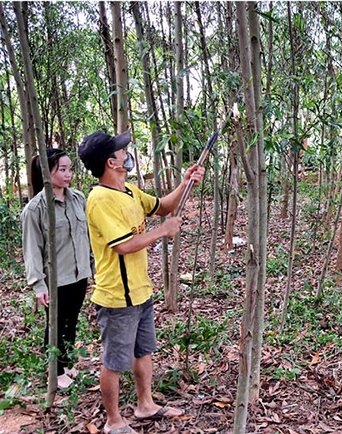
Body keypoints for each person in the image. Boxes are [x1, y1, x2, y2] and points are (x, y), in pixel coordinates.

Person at [78, 130, 205, 434]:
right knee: (114, 361)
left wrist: (186, 182)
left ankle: (145, 404)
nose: (126, 153)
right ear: (111, 162)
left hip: (140, 290)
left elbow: (163, 206)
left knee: (143, 350)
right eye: (121, 151)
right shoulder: (99, 199)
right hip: (117, 296)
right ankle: (113, 421)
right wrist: (163, 232)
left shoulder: (130, 191)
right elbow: (122, 245)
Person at [21, 149, 94, 389]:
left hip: (79, 274)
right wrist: (38, 284)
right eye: (61, 170)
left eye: (69, 169)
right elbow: (32, 250)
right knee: (55, 324)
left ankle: (68, 362)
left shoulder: (79, 199)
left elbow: (87, 237)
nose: (68, 174)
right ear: (46, 173)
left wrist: (92, 266)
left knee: (71, 321)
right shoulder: (35, 209)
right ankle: (56, 370)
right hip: (56, 279)